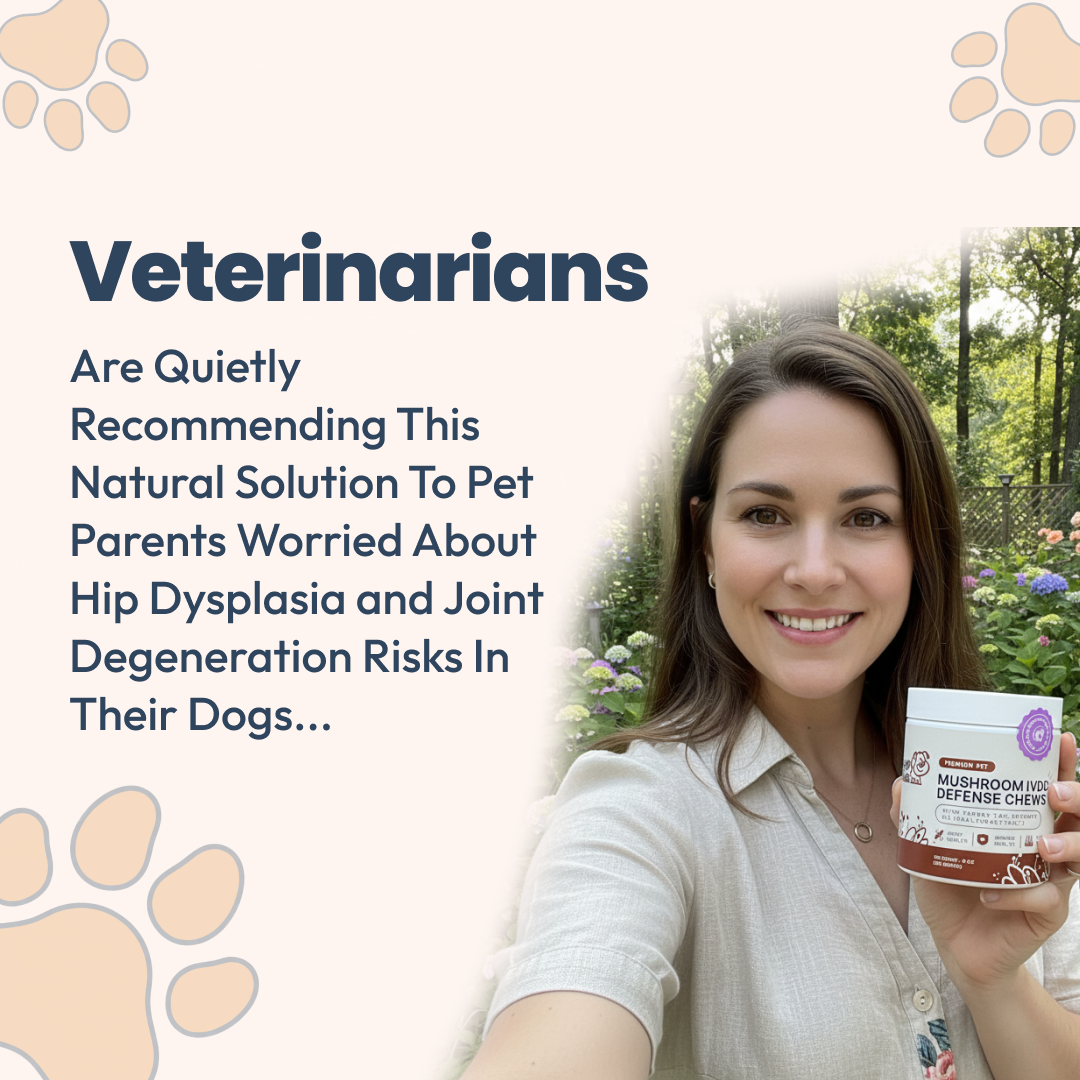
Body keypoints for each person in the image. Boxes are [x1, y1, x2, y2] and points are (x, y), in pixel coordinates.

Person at [464, 323, 1080, 1080]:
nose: (815, 571)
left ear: (920, 548)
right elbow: (566, 1008)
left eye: (866, 518)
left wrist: (997, 984)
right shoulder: (639, 808)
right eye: (765, 514)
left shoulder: (1001, 787)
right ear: (706, 541)